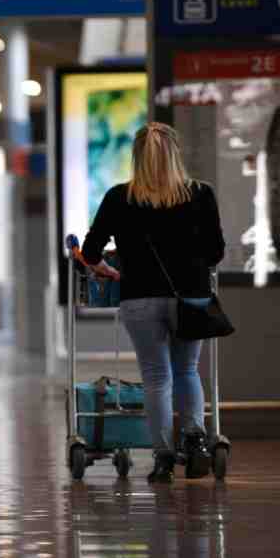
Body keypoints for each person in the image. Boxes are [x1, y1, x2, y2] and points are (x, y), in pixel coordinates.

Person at [82, 123, 225, 483]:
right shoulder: (201, 194)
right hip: (190, 297)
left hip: (140, 298)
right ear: (175, 154)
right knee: (187, 371)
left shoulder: (119, 197)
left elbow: (90, 252)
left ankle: (162, 458)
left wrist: (110, 270)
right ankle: (194, 441)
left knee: (156, 378)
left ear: (136, 157)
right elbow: (216, 252)